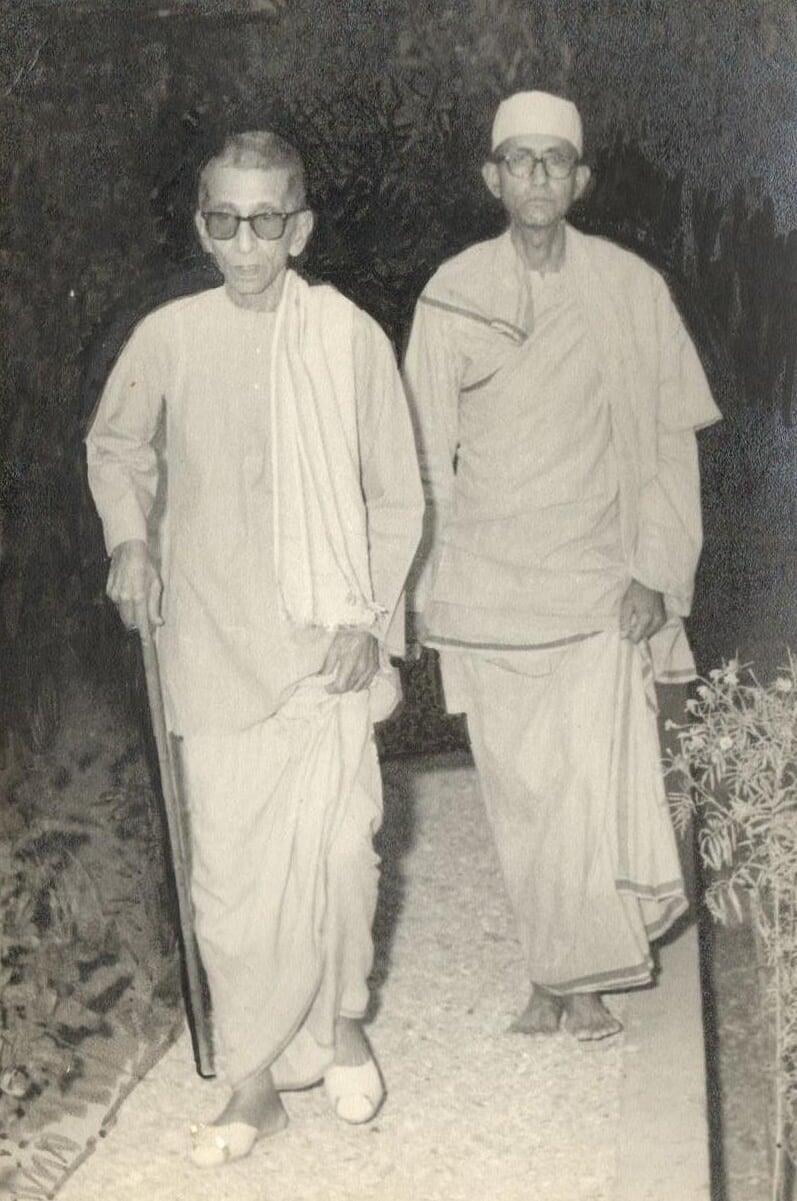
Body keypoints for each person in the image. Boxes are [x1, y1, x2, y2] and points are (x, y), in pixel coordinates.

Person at [86, 130, 423, 1166]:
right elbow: (117, 445)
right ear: (201, 226)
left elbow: (395, 493)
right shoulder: (167, 335)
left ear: (300, 227)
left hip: (329, 647)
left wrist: (370, 621)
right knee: (231, 881)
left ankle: (345, 1021)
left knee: (340, 852)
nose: (245, 241)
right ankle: (251, 1083)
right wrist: (130, 539)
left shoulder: (345, 336)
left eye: (266, 220)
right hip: (214, 642)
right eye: (224, 221)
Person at [402, 91, 721, 1042]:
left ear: (579, 179)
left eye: (555, 161)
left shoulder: (633, 288)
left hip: (598, 584)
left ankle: (575, 983)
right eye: (519, 160)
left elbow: (670, 445)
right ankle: (554, 968)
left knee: (586, 785)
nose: (537, 176)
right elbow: (419, 454)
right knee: (522, 790)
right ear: (491, 178)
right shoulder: (450, 292)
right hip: (490, 589)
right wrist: (421, 584)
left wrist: (657, 573)